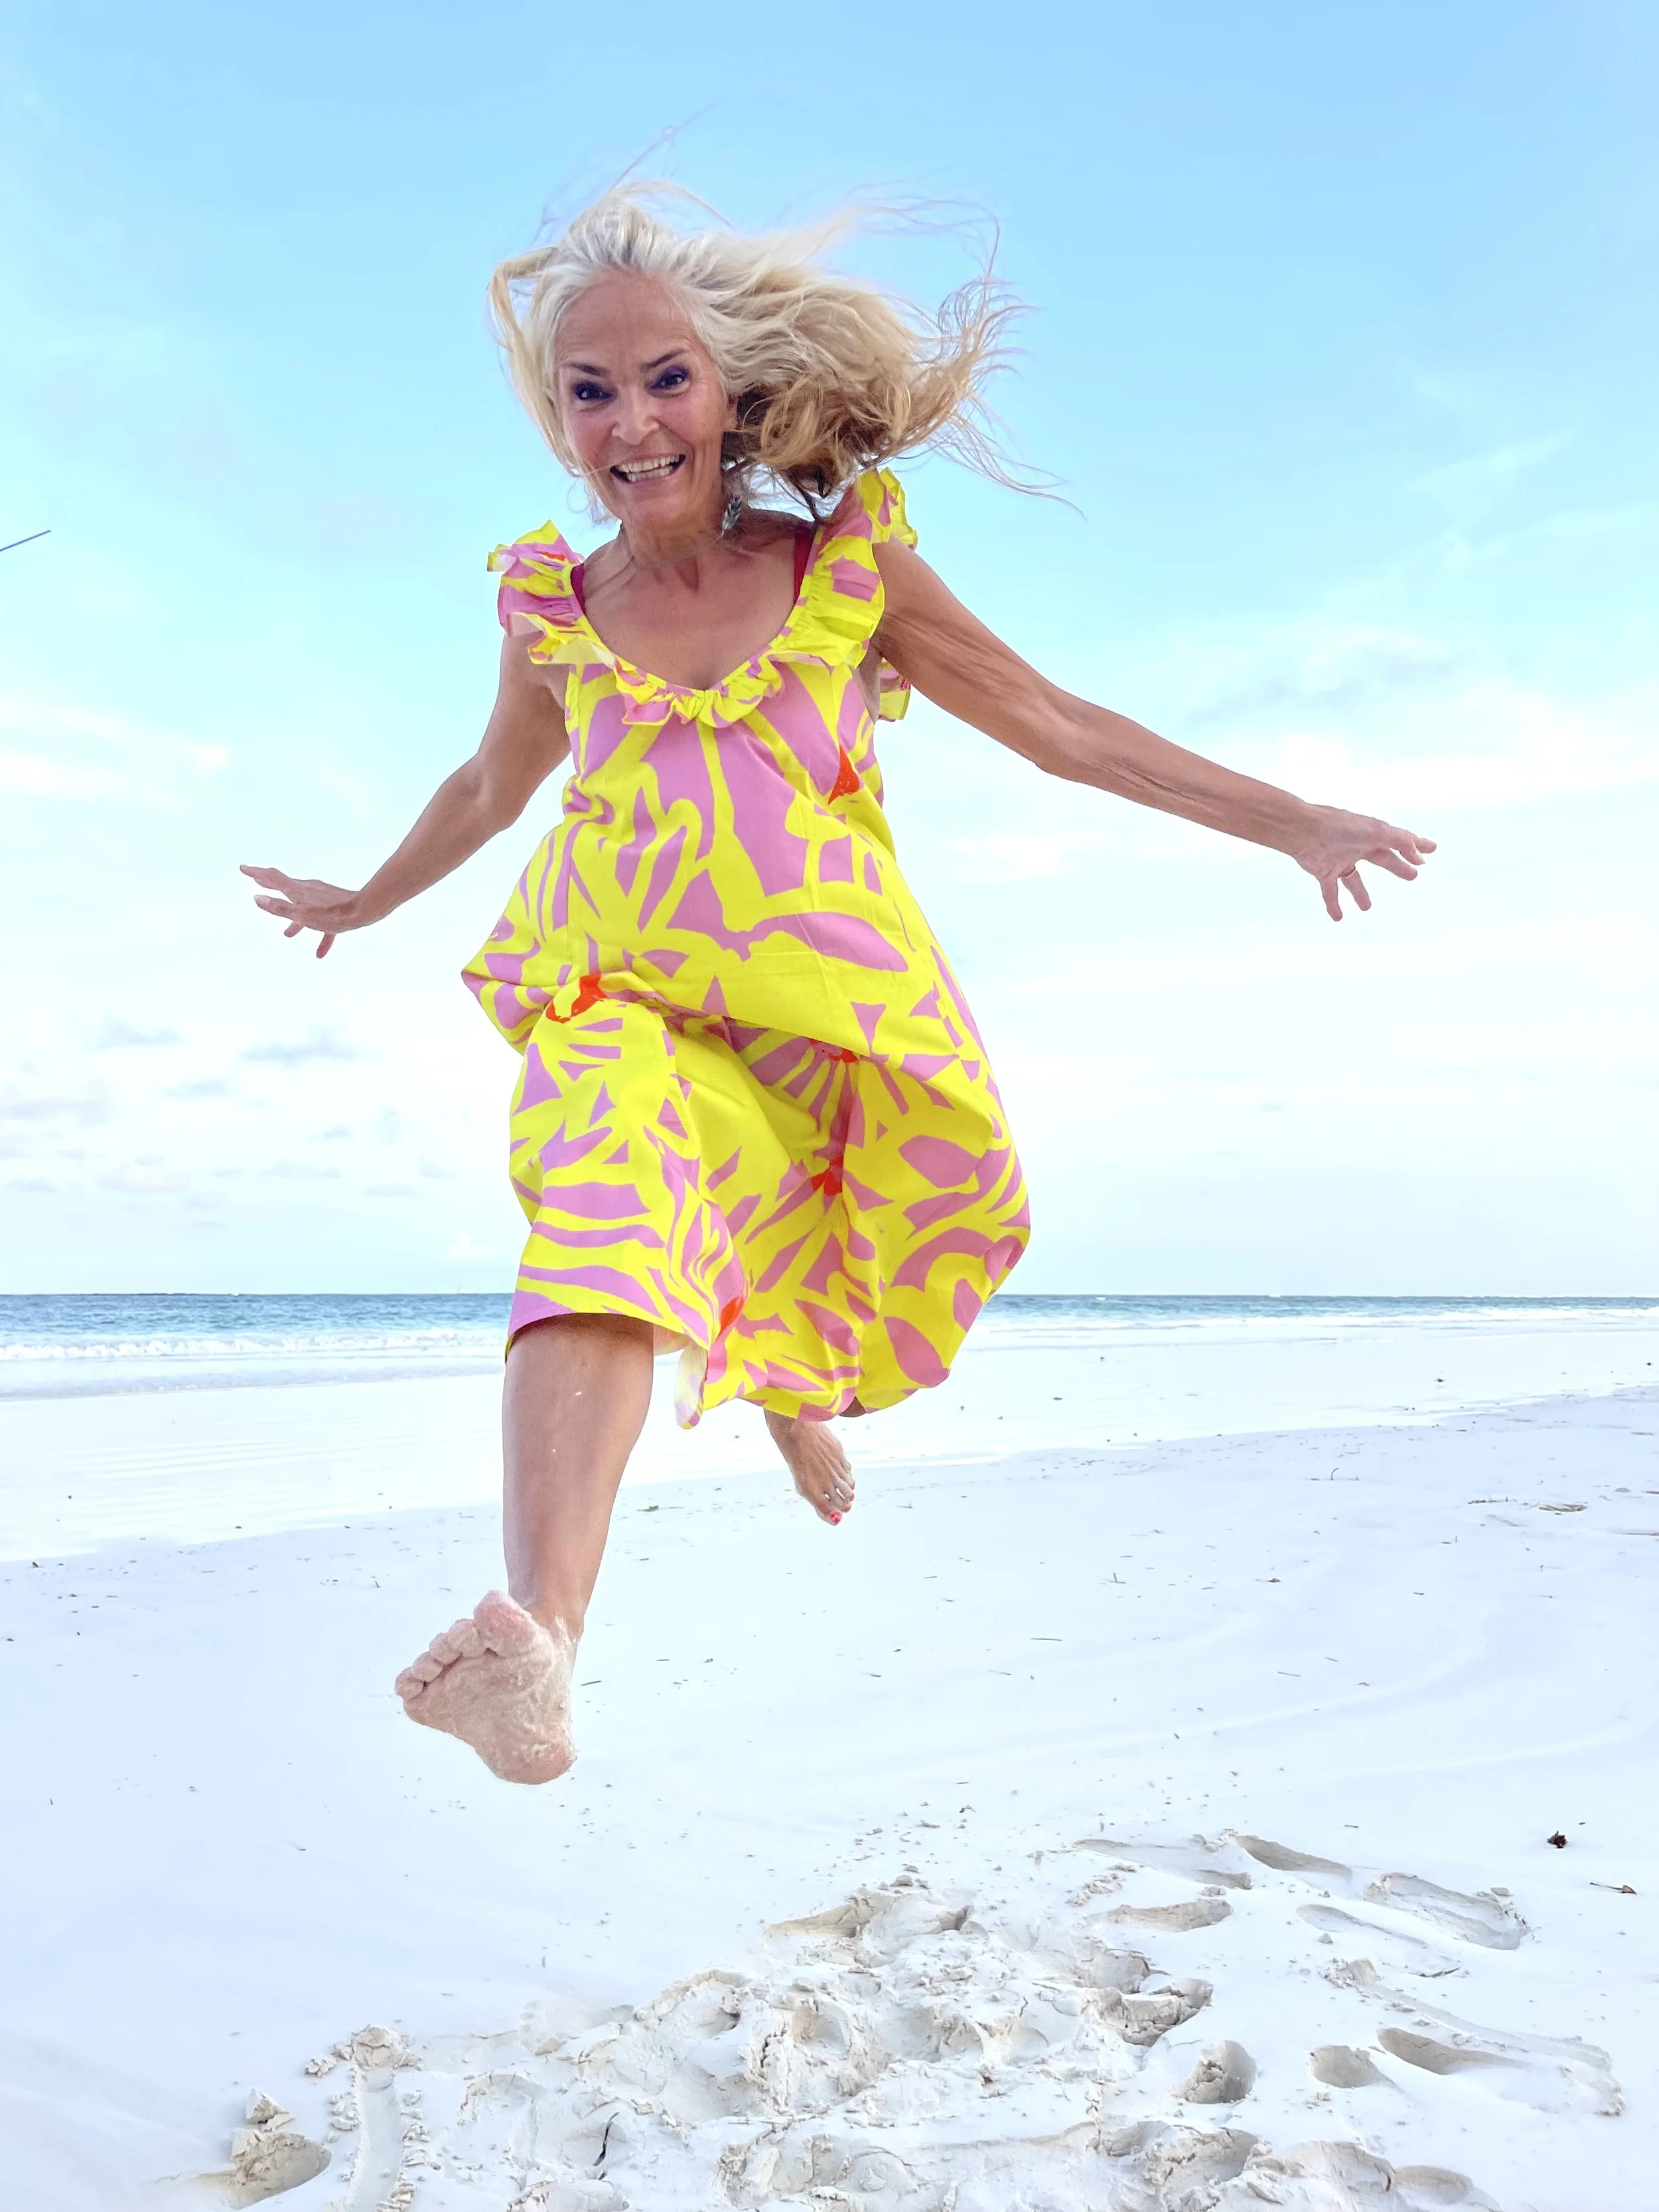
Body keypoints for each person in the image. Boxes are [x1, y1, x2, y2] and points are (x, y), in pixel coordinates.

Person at [244, 185, 1433, 1785]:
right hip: (620, 995)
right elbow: (485, 786)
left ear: (730, 390)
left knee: (805, 1239)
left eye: (664, 376)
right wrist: (367, 896)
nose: (630, 420)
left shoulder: (843, 571)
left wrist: (1287, 819)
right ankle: (538, 1651)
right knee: (593, 1203)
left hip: (829, 1031)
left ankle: (773, 1381)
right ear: (558, 424)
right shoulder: (551, 608)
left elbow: (1059, 724)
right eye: (586, 391)